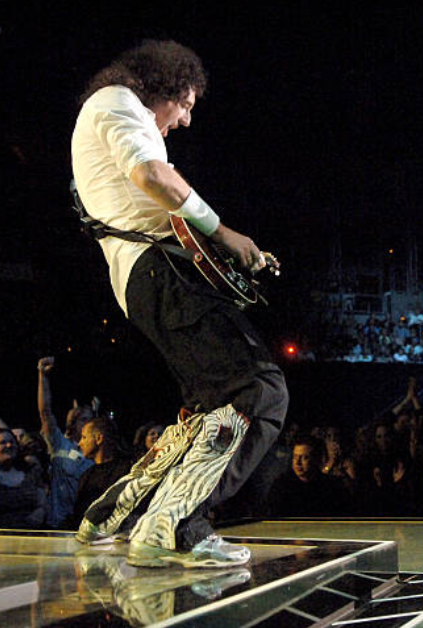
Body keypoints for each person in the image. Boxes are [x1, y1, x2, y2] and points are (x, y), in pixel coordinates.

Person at [70, 39, 288, 568]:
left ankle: (123, 506)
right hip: (159, 277)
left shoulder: (105, 110)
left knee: (211, 410)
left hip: (145, 281)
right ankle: (176, 526)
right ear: (162, 87)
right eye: (186, 102)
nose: (186, 119)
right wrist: (225, 232)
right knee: (259, 390)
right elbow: (152, 176)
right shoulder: (119, 102)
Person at [37, 356, 95, 529]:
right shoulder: (59, 443)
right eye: (83, 420)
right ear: (73, 423)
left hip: (84, 525)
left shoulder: (97, 451)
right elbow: (45, 411)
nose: (88, 424)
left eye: (91, 420)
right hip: (57, 523)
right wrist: (43, 377)